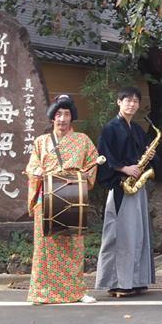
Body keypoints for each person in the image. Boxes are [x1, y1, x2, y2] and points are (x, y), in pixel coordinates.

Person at [25, 94, 99, 305]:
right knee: (45, 247)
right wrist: (37, 171)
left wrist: (84, 175)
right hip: (47, 198)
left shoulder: (82, 140)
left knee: (73, 245)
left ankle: (76, 292)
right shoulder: (41, 142)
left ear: (71, 117)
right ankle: (42, 293)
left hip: (72, 196)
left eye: (66, 114)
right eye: (58, 114)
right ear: (52, 117)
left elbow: (93, 162)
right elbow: (31, 165)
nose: (62, 119)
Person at [94, 86, 156, 298]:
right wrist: (124, 168)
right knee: (120, 235)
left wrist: (149, 156)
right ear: (118, 102)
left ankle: (137, 280)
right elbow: (103, 157)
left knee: (138, 234)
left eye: (135, 101)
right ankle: (118, 282)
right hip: (121, 186)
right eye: (127, 100)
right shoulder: (110, 128)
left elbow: (144, 155)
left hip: (137, 186)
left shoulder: (137, 129)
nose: (132, 104)